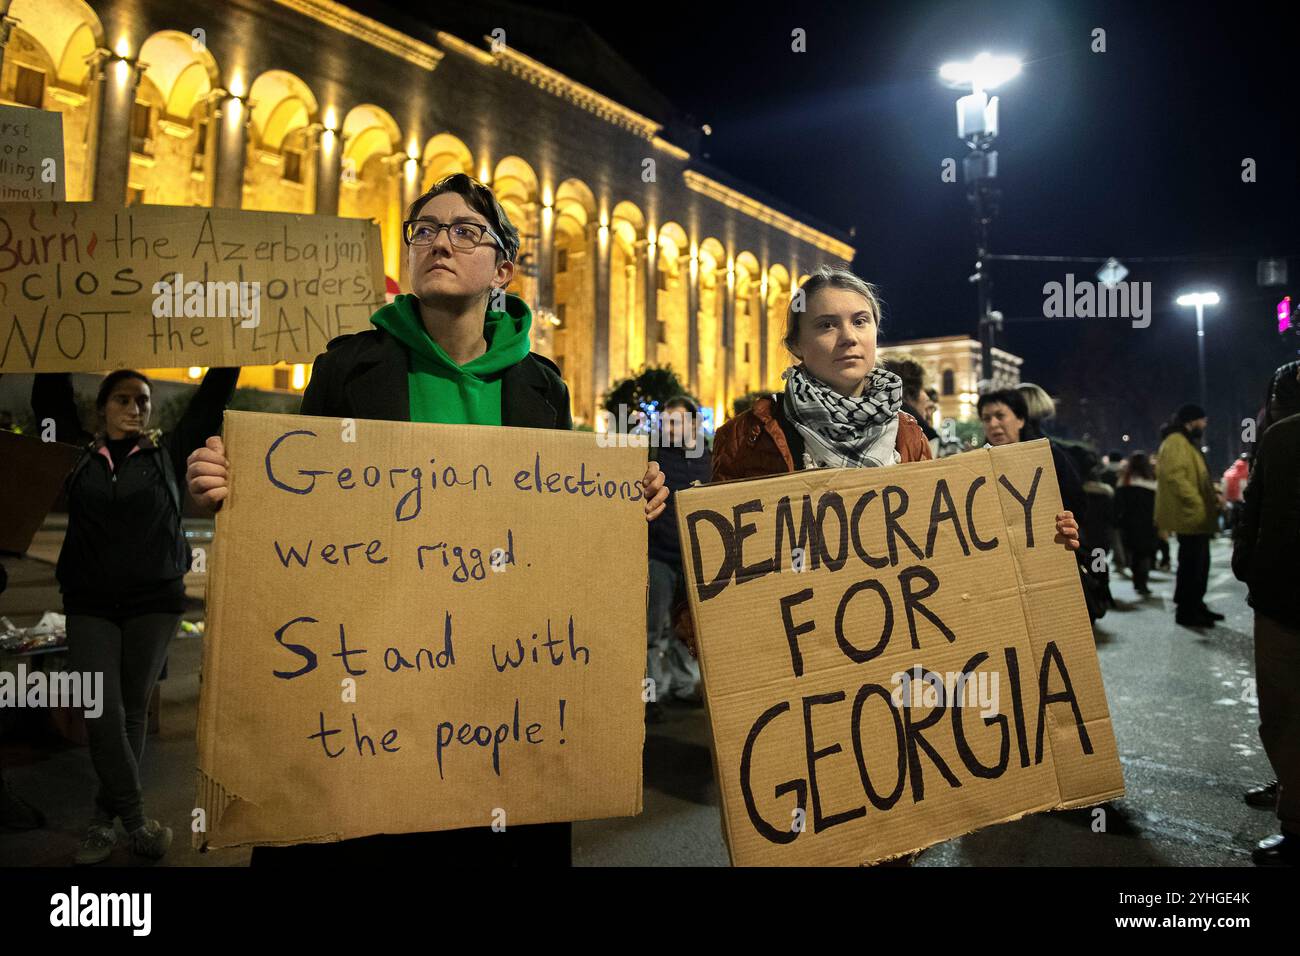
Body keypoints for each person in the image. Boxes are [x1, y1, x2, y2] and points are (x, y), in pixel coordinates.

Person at [186, 173, 668, 866]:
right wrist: (230, 489)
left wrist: (628, 500)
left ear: (502, 268)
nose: (440, 241)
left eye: (465, 230)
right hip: (372, 673)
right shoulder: (350, 365)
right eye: (425, 230)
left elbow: (561, 530)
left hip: (504, 682)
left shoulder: (541, 386)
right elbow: (299, 502)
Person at [32, 366, 240, 864]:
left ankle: (103, 823)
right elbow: (50, 403)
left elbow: (209, 403)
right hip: (90, 602)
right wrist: (46, 340)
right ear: (102, 407)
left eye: (143, 401)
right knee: (101, 712)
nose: (135, 408)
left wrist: (229, 353)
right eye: (123, 399)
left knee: (131, 709)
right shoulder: (78, 453)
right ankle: (138, 821)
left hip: (154, 602)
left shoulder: (165, 453)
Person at [1232, 360, 1300, 864]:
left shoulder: (1277, 440)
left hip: (1282, 599)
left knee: (1285, 711)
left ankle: (1296, 819)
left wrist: (1251, 570)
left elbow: (1251, 515)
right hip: (1279, 593)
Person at [645, 396, 710, 720]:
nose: (669, 428)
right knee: (653, 630)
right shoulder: (650, 458)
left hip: (692, 558)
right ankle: (652, 694)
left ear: (694, 424)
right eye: (665, 422)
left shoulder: (707, 456)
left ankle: (685, 686)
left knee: (687, 625)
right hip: (657, 556)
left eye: (676, 421)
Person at [1155, 403, 1221, 628]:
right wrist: (1198, 502)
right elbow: (1176, 477)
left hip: (1194, 516)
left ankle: (1196, 605)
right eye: (1202, 420)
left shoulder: (1184, 442)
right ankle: (1187, 610)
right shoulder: (1176, 442)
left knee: (1199, 564)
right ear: (1191, 421)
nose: (1204, 424)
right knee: (1192, 564)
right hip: (1190, 515)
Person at [977, 388, 1087, 522]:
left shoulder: (1050, 457)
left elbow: (1076, 503)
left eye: (1000, 416)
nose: (993, 424)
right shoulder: (976, 467)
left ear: (1020, 420)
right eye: (986, 419)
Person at [1114, 452, 1159, 595]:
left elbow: (1118, 504)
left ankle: (1136, 580)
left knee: (1133, 552)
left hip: (1129, 524)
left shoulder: (1124, 482)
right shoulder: (1152, 482)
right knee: (1144, 553)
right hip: (1147, 523)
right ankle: (1142, 582)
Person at [1222, 453, 1249, 533]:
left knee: (1234, 522)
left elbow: (1224, 488)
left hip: (1232, 501)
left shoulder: (1229, 473)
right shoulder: (1249, 471)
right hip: (1245, 501)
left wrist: (1224, 502)